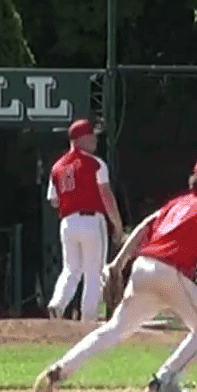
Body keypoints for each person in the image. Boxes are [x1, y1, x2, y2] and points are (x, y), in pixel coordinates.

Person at [34, 156, 197, 392]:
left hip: (142, 268)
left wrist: (118, 263)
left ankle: (58, 370)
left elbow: (143, 228)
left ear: (193, 180)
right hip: (168, 272)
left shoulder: (175, 204)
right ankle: (164, 380)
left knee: (114, 329)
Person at [45, 118, 125, 322]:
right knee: (93, 272)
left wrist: (72, 197)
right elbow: (106, 196)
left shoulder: (57, 167)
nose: (95, 141)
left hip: (68, 223)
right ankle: (88, 319)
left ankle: (57, 304)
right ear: (82, 138)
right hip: (91, 220)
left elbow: (53, 200)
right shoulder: (95, 163)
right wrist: (117, 226)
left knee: (71, 269)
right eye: (92, 137)